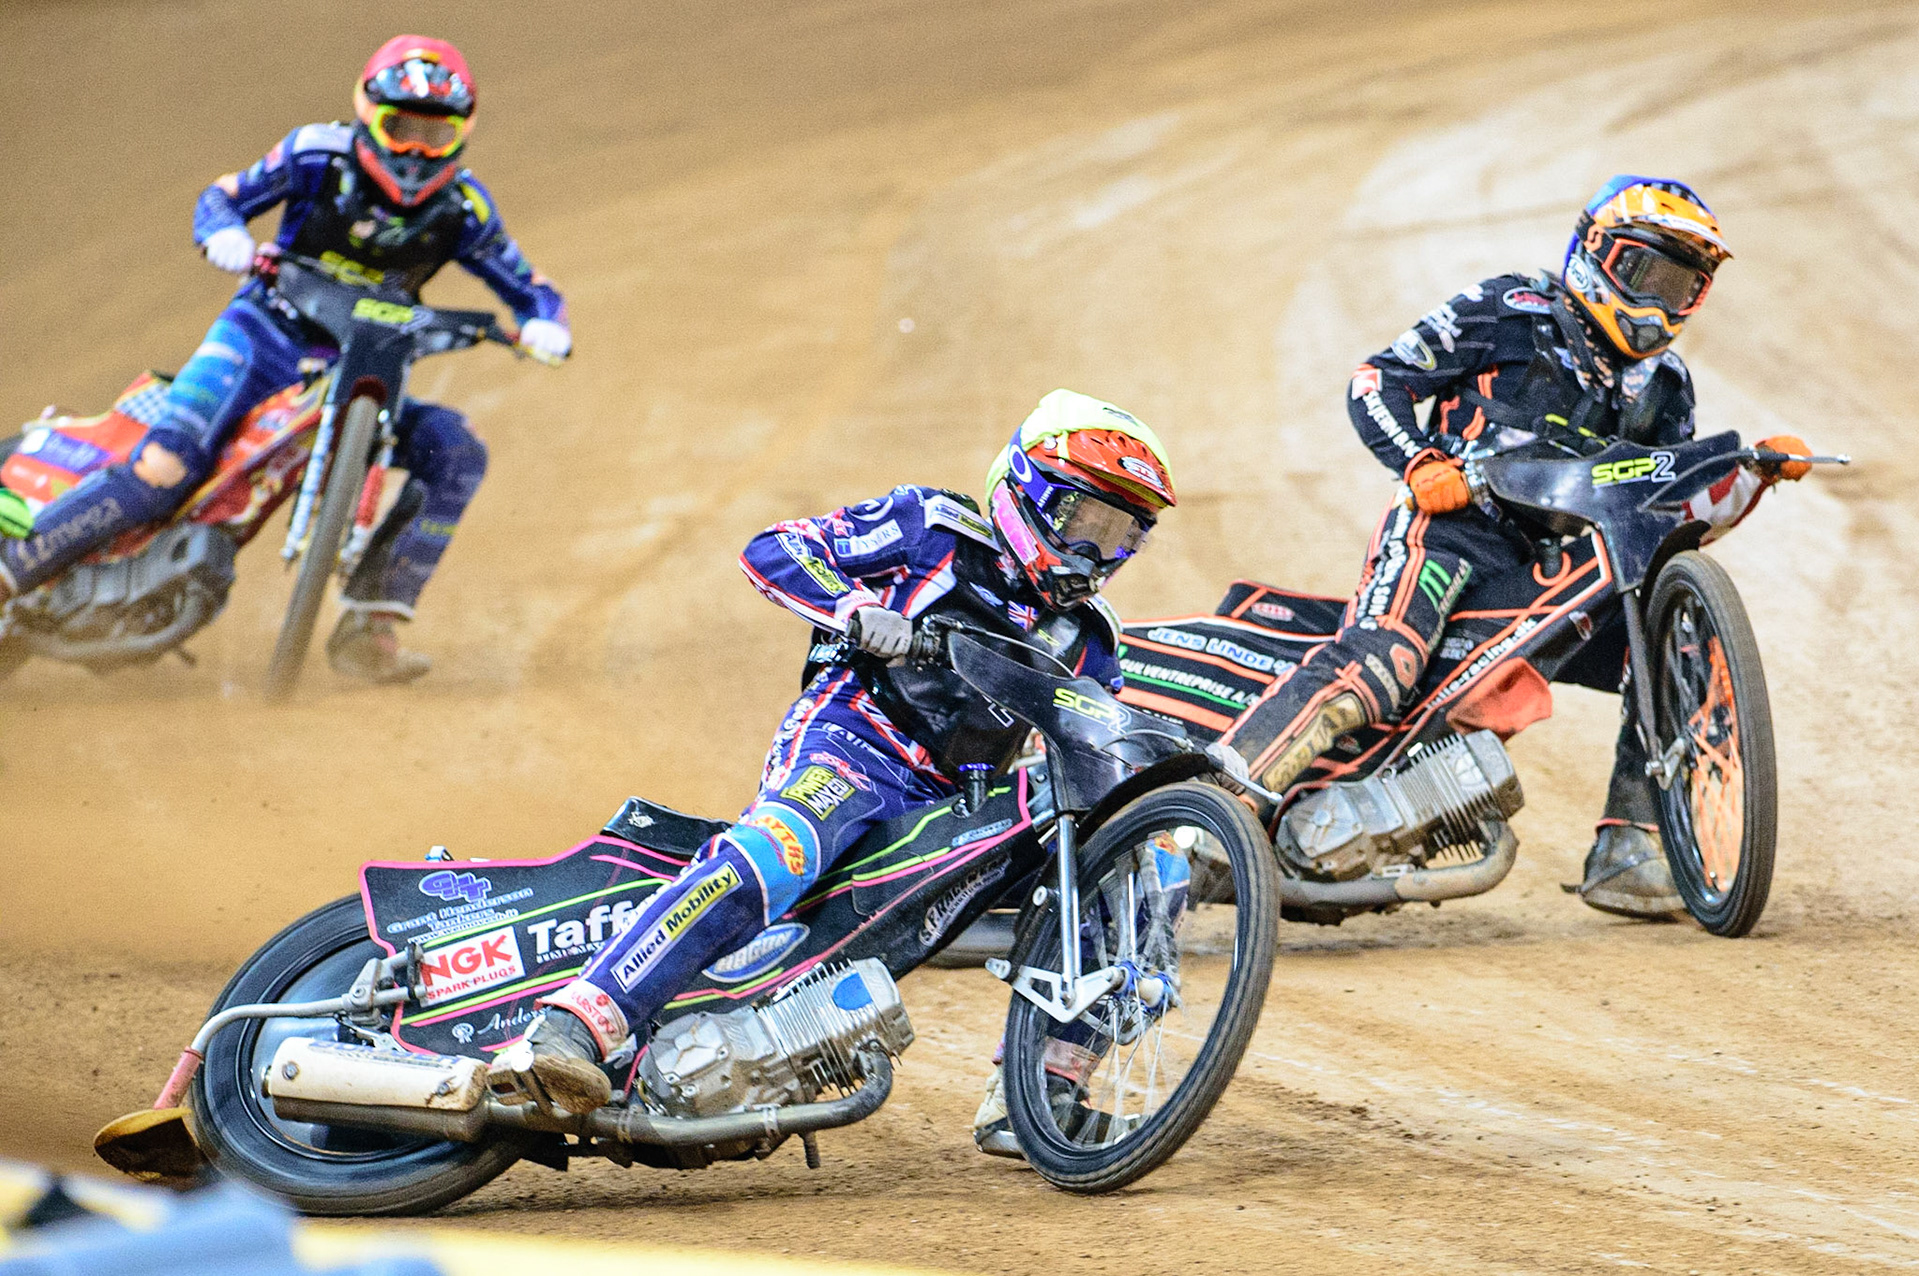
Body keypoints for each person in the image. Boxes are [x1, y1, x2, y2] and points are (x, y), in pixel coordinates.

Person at [489, 389, 1177, 1115]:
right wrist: (852, 607)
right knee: (784, 846)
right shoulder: (932, 529)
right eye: (1086, 520)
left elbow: (1094, 746)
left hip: (956, 803)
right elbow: (778, 548)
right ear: (1028, 493)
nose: (1098, 551)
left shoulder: (1091, 637)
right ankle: (573, 1026)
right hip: (854, 740)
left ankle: (1038, 1093)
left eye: (1122, 534)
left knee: (1131, 856)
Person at [1218, 176, 1812, 918]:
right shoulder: (1508, 308)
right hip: (1452, 534)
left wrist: (1750, 475)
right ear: (1596, 252)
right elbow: (1377, 381)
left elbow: (1661, 509)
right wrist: (1420, 463)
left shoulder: (1668, 385)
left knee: (1679, 653)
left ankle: (1631, 848)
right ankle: (1218, 807)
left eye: (1682, 285)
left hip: (1558, 573)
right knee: (1382, 662)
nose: (1659, 301)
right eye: (1645, 274)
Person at [0, 35, 570, 683]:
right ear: (366, 111)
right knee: (165, 468)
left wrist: (543, 325)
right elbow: (224, 197)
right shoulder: (314, 154)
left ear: (461, 134)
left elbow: (532, 290)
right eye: (401, 127)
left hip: (363, 365)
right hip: (260, 335)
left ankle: (369, 626)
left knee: (457, 451)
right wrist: (224, 234)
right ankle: (11, 573)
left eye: (432, 135)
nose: (414, 151)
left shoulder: (464, 209)